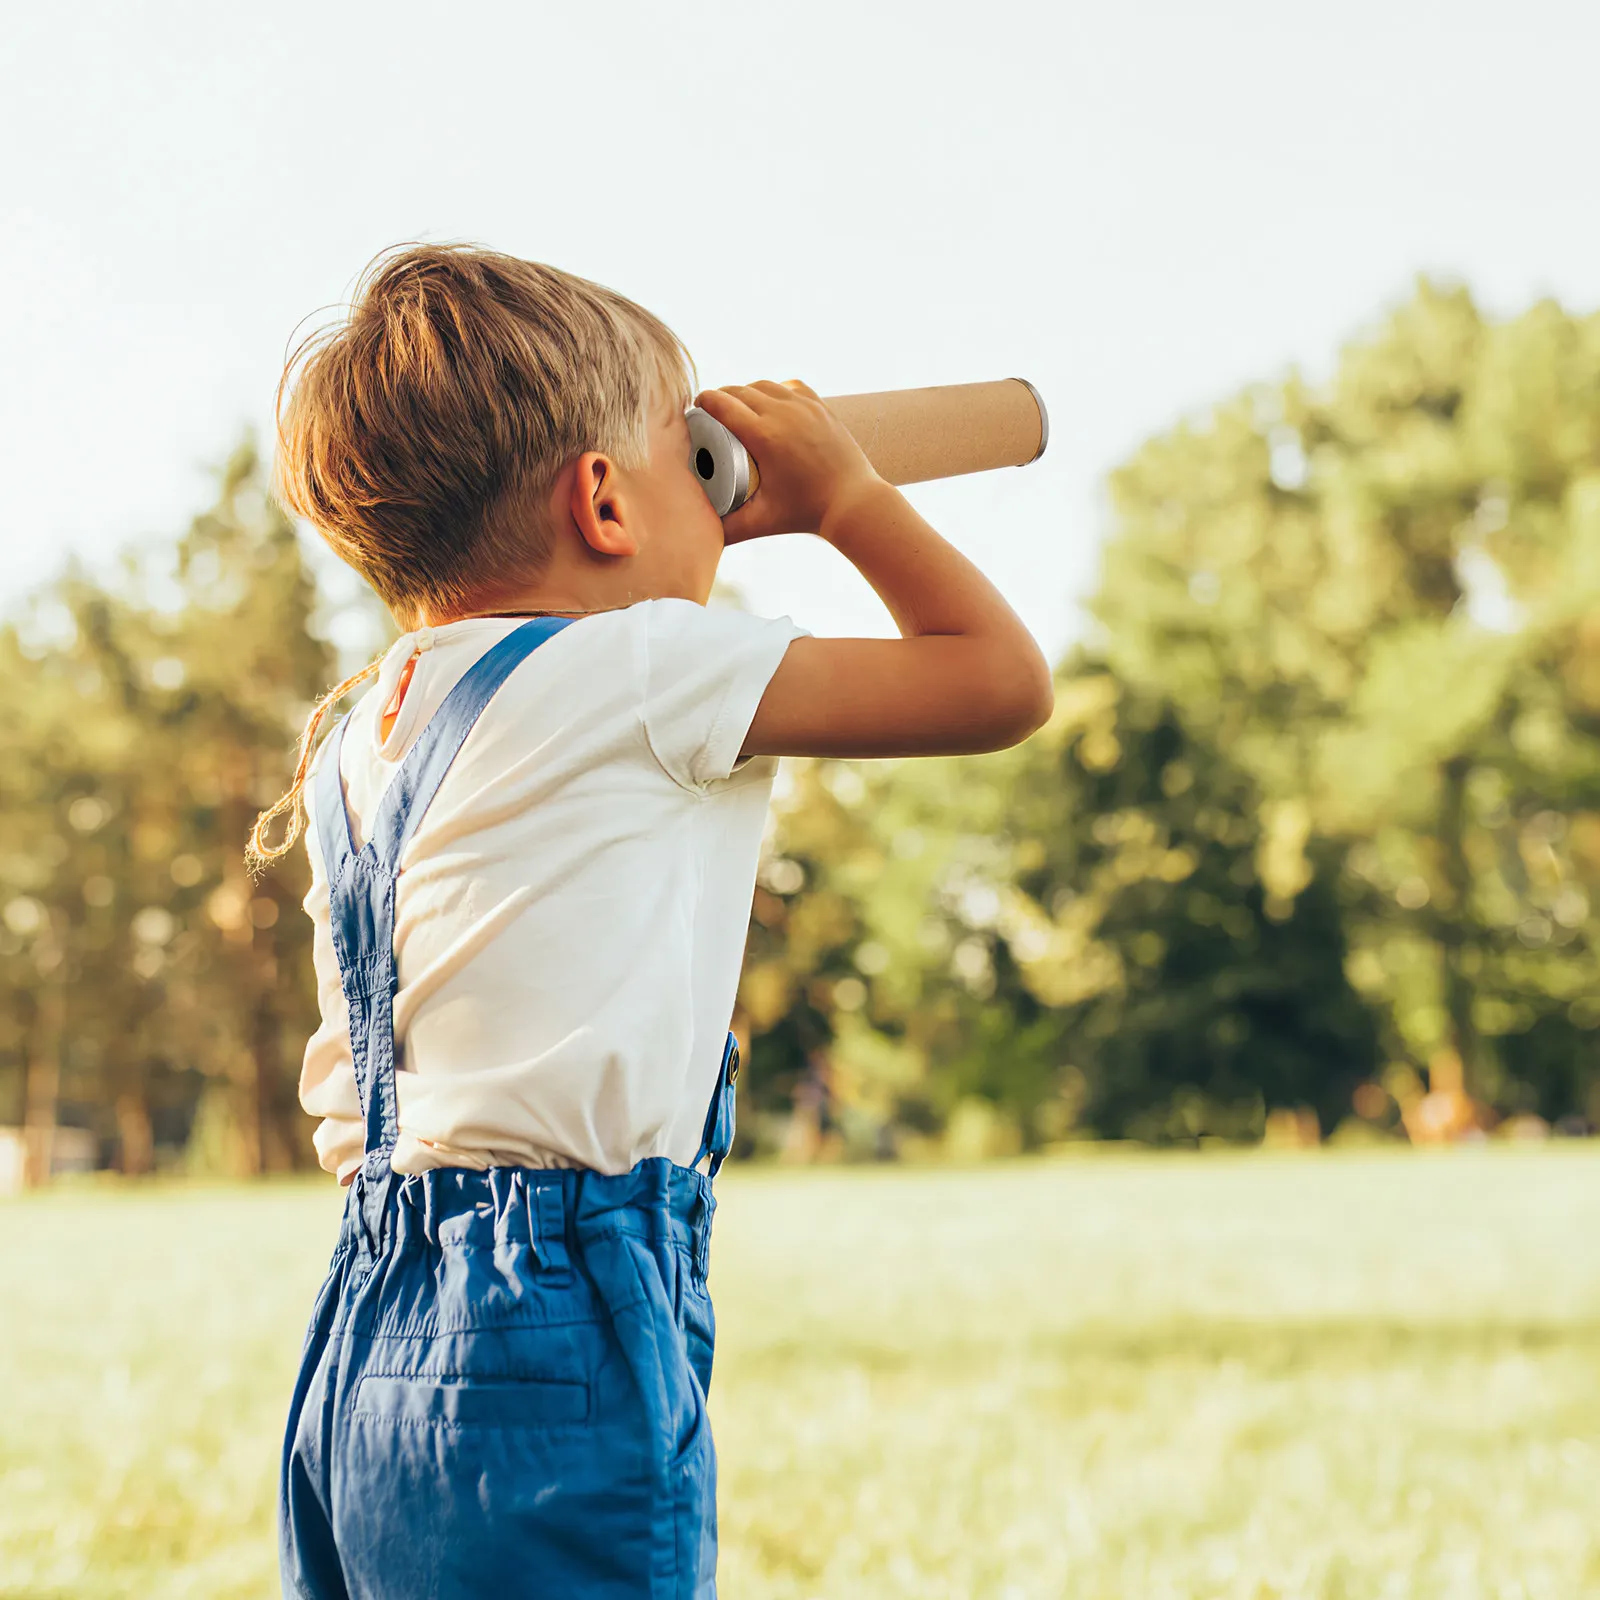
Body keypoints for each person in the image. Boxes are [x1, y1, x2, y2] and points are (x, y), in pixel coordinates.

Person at [253, 241, 1053, 1600]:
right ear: (605, 503)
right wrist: (848, 499)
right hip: (555, 1319)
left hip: (365, 1327)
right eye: (694, 459)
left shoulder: (366, 725)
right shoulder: (644, 669)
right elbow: (997, 683)